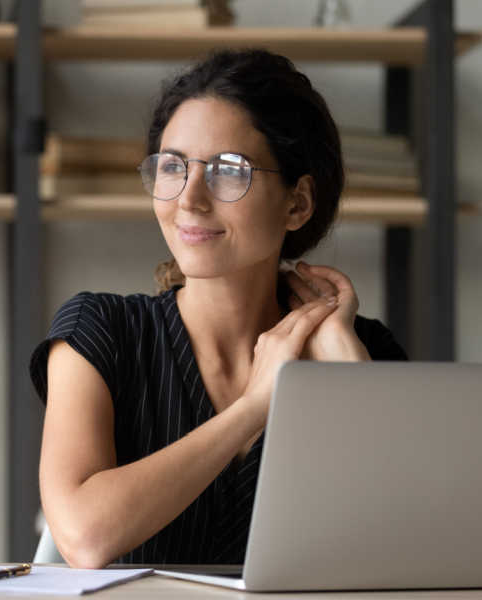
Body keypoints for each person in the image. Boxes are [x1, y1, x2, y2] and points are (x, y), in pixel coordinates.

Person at [29, 48, 407, 569]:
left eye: (230, 170)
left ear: (297, 204)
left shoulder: (365, 351)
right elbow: (85, 537)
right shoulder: (99, 334)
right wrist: (255, 405)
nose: (190, 197)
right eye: (172, 167)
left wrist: (349, 372)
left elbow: (407, 550)